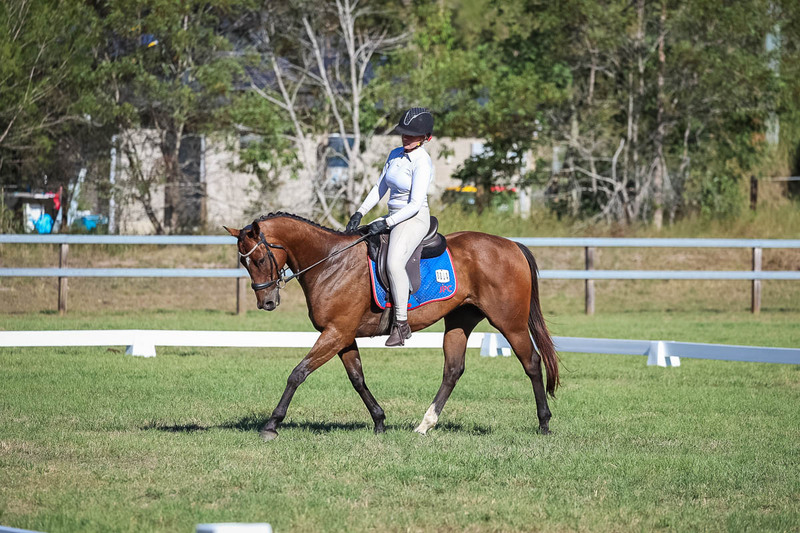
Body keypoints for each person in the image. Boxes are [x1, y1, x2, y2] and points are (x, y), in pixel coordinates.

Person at [345, 107, 435, 346]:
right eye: (404, 133)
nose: (406, 137)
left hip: (414, 218)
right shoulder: (395, 154)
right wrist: (360, 212)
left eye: (412, 134)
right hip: (393, 215)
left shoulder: (422, 161)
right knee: (355, 240)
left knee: (394, 263)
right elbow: (380, 187)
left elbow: (414, 204)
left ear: (426, 137)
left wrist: (386, 222)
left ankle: (401, 324)